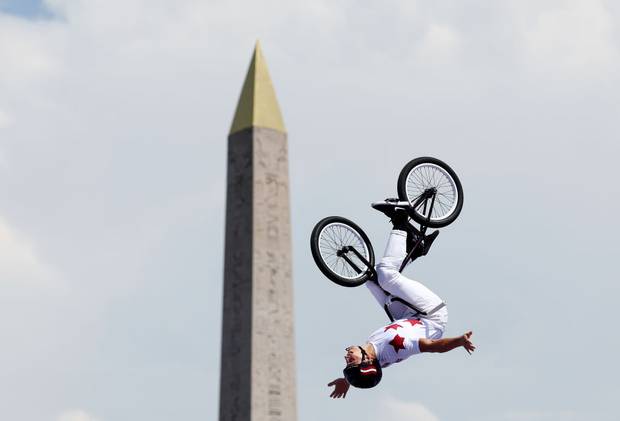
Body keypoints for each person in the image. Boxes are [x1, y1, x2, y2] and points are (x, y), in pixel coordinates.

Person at [327, 202, 476, 398]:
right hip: (431, 314)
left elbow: (363, 372)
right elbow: (433, 347)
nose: (347, 358)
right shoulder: (398, 347)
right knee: (386, 275)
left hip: (407, 317)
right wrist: (458, 341)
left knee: (371, 281)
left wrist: (347, 381)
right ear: (366, 360)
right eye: (351, 361)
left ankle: (416, 247)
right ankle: (400, 218)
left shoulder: (372, 355)